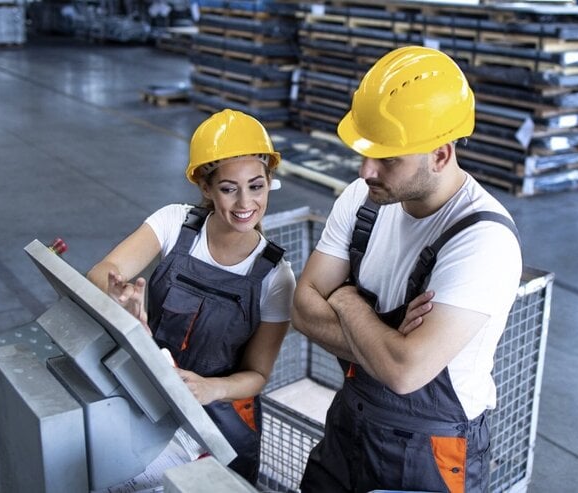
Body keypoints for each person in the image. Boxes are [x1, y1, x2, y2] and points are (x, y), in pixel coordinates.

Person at [292, 46, 523, 492]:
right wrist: (389, 344)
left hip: (429, 452)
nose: (366, 171)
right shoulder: (363, 201)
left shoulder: (482, 240)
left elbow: (404, 373)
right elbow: (302, 310)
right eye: (365, 153)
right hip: (348, 423)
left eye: (388, 159)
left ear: (440, 154)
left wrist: (344, 300)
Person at [86, 109, 296, 485]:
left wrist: (211, 388)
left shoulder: (275, 277)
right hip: (151, 392)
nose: (245, 202)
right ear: (205, 187)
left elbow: (258, 374)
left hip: (220, 418)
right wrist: (118, 299)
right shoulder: (174, 224)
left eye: (257, 185)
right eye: (229, 188)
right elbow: (102, 272)